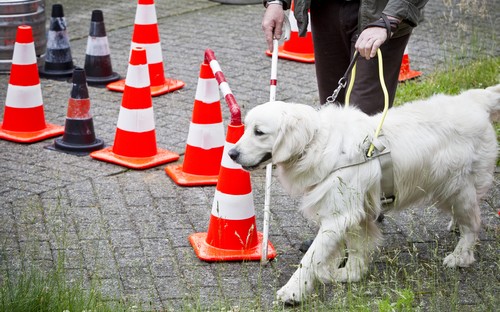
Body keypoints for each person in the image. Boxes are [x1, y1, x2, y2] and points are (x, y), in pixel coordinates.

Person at [262, 0, 429, 115]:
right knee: (332, 115)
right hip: (326, 11)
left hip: (380, 14)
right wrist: (275, 2)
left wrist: (392, 17)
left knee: (363, 120)